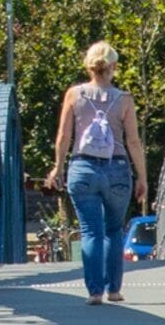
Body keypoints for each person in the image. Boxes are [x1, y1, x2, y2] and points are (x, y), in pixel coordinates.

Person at [51, 42, 141, 305]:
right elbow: (133, 142)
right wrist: (143, 177)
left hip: (83, 168)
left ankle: (94, 292)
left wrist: (57, 166)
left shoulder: (74, 94)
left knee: (91, 231)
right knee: (113, 230)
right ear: (112, 66)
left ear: (89, 66)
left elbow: (64, 135)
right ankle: (114, 290)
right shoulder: (124, 99)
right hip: (117, 169)